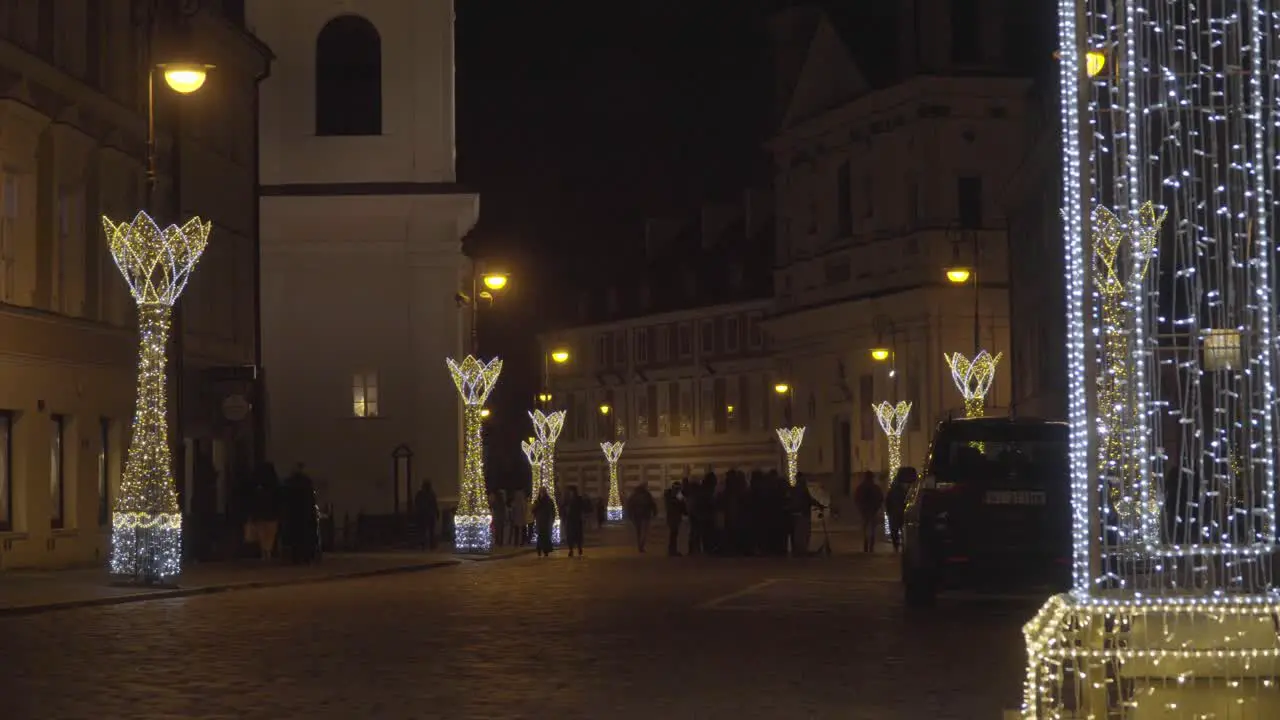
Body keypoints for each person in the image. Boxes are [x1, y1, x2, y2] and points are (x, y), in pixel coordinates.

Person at [789, 474, 824, 557]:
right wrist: (819, 505)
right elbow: (809, 500)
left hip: (797, 514)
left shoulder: (795, 489)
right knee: (802, 532)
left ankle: (799, 549)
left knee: (799, 533)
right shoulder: (801, 489)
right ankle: (802, 550)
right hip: (802, 514)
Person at [885, 467, 916, 552]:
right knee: (900, 531)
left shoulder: (894, 488)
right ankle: (900, 547)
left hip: (897, 513)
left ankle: (897, 547)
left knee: (896, 531)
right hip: (899, 513)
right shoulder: (911, 489)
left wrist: (888, 511)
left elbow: (888, 501)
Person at [854, 471, 885, 553]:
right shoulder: (875, 487)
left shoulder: (861, 487)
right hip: (873, 510)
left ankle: (866, 543)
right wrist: (878, 508)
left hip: (864, 510)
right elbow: (880, 498)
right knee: (872, 528)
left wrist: (860, 508)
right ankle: (871, 545)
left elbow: (857, 498)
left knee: (865, 527)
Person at [625, 483, 657, 552]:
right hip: (645, 515)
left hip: (636, 516)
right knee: (644, 531)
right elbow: (652, 504)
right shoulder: (647, 495)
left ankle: (639, 544)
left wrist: (630, 515)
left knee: (638, 531)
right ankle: (641, 544)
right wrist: (654, 512)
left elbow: (629, 505)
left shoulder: (634, 495)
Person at [414, 480, 439, 550]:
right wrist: (436, 513)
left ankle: (425, 544)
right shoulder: (430, 494)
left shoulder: (421, 494)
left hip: (424, 515)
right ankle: (429, 545)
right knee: (428, 531)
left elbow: (417, 504)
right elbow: (434, 504)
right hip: (428, 515)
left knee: (424, 531)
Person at [532, 487, 556, 557]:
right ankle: (540, 549)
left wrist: (552, 519)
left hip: (546, 520)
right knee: (540, 535)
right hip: (540, 521)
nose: (541, 493)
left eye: (542, 491)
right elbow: (533, 510)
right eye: (540, 491)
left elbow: (552, 510)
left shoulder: (549, 501)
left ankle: (545, 550)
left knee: (545, 535)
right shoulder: (538, 501)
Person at [563, 486, 586, 557]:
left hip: (577, 520)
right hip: (569, 520)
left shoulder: (579, 499)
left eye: (571, 491)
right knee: (570, 535)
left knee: (578, 535)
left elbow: (582, 508)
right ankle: (571, 550)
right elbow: (563, 507)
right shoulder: (567, 499)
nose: (570, 493)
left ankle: (579, 548)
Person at [664, 481, 685, 556]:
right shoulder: (676, 495)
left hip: (672, 516)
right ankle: (672, 550)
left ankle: (672, 550)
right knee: (674, 534)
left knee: (674, 534)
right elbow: (681, 504)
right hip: (674, 516)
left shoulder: (668, 495)